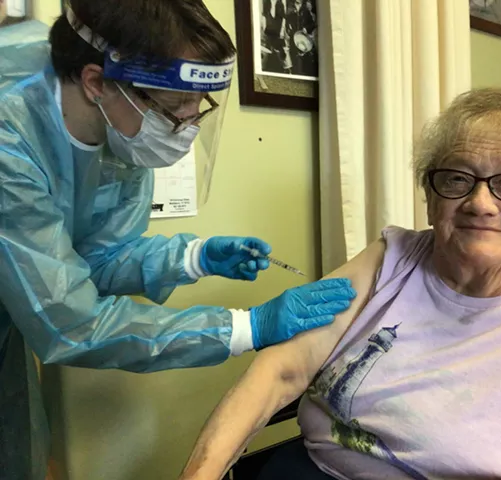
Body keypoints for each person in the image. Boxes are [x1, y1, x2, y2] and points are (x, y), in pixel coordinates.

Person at [180, 88, 501, 480]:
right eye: (457, 179)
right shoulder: (392, 259)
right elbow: (281, 370)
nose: (480, 202)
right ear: (429, 197)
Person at [0, 2, 356, 478]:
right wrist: (245, 327)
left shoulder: (117, 129)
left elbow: (97, 259)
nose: (186, 125)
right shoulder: (10, 136)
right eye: (172, 109)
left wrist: (194, 258)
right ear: (96, 82)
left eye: (198, 106)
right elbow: (70, 324)